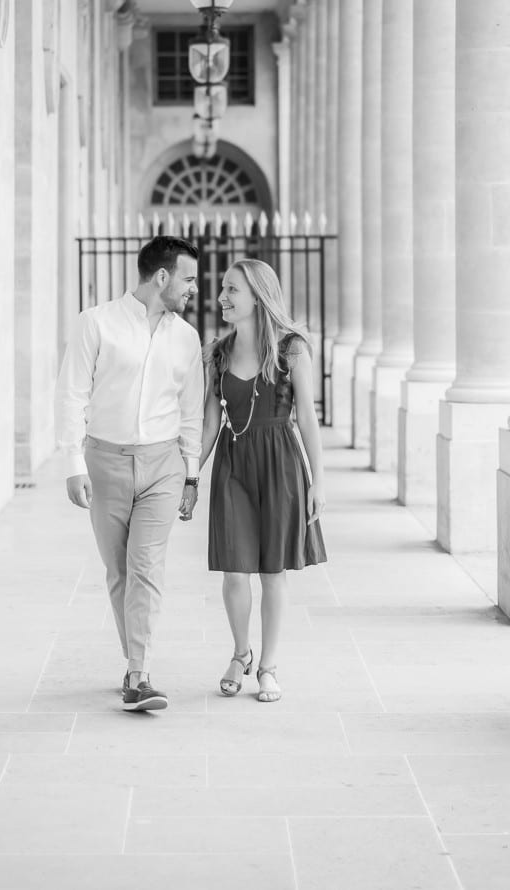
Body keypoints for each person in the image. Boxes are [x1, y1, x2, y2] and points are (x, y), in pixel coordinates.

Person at [55, 236, 204, 712]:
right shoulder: (95, 323)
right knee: (119, 572)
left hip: (163, 464)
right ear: (161, 277)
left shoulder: (187, 337)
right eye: (188, 278)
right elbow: (72, 394)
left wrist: (191, 474)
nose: (193, 289)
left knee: (145, 568)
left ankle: (138, 674)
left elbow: (190, 411)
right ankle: (132, 661)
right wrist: (73, 463)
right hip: (105, 462)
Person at [180, 258, 327, 704]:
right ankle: (240, 653)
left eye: (231, 290)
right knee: (234, 568)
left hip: (281, 463)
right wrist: (190, 478)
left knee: (272, 570)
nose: (221, 297)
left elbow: (308, 418)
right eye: (222, 289)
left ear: (258, 296)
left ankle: (268, 665)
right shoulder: (217, 352)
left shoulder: (292, 349)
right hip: (233, 464)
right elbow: (208, 425)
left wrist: (318, 481)